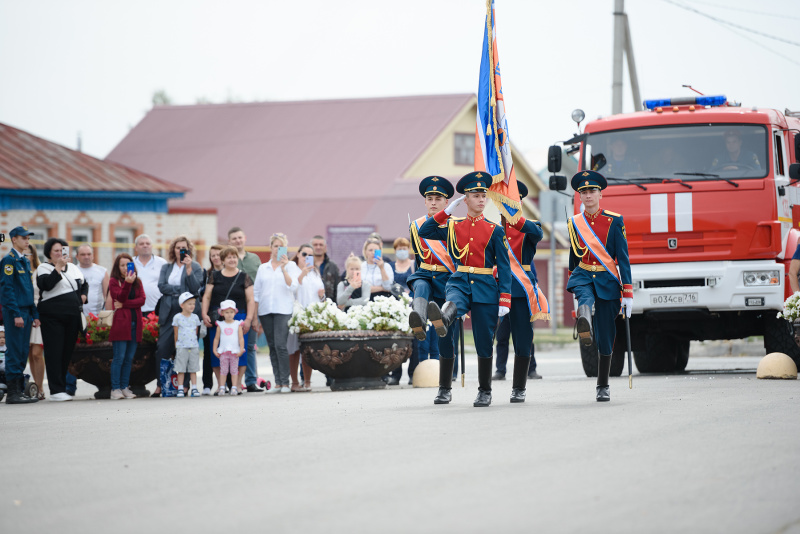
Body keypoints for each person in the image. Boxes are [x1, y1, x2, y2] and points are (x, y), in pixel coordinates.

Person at [419, 171, 511, 407]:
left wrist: (505, 298)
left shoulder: (494, 230)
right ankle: (444, 388)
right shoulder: (453, 226)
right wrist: (447, 211)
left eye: (484, 196)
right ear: (465, 199)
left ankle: (484, 391)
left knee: (483, 340)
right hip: (459, 280)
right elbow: (425, 231)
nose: (481, 200)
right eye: (476, 195)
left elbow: (504, 266)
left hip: (485, 286)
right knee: (452, 305)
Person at [566, 170, 633, 402]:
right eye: (583, 192)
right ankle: (584, 316)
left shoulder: (614, 221)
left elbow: (623, 258)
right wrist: (572, 279)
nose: (588, 195)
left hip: (607, 278)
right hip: (584, 273)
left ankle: (602, 384)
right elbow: (573, 257)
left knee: (606, 335)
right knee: (585, 296)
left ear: (600, 194)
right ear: (580, 196)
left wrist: (628, 293)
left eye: (592, 191)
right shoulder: (575, 222)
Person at [496, 181, 547, 402]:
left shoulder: (528, 227)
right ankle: (487, 386)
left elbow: (538, 233)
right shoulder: (494, 229)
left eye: (513, 200)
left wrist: (516, 217)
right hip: (497, 291)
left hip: (521, 292)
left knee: (523, 340)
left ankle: (519, 387)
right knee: (498, 336)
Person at [406, 176, 458, 379]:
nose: (434, 202)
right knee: (419, 282)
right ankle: (418, 317)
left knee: (448, 331)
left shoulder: (456, 224)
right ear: (425, 201)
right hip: (426, 272)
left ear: (447, 203)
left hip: (448, 278)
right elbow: (419, 258)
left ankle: (450, 372)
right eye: (430, 198)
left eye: (438, 199)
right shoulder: (415, 225)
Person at [36, 237, 88, 402]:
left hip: (72, 316)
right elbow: (47, 285)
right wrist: (57, 268)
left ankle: (62, 387)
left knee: (66, 353)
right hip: (53, 317)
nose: (60, 253)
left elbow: (83, 283)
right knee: (54, 353)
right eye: (56, 251)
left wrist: (83, 295)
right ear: (49, 254)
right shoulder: (43, 268)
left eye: (62, 250)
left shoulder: (73, 268)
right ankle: (56, 390)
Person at [154, 235, 204, 397]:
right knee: (163, 348)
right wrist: (181, 292)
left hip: (188, 313)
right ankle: (161, 384)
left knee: (187, 349)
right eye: (177, 248)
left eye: (184, 248)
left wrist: (188, 270)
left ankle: (186, 386)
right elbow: (162, 286)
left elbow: (196, 289)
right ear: (173, 250)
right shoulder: (166, 268)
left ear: (189, 250)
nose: (180, 251)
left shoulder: (195, 266)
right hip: (169, 312)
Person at [202, 246, 255, 395]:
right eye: (229, 257)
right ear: (223, 260)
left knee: (240, 351)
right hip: (218, 319)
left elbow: (250, 299)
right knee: (217, 351)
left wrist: (249, 319)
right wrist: (204, 313)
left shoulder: (244, 277)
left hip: (239, 318)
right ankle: (221, 385)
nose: (232, 260)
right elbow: (206, 296)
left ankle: (237, 385)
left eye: (234, 257)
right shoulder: (215, 276)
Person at [254, 233, 299, 394]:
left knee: (281, 345)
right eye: (275, 246)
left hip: (283, 310)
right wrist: (255, 316)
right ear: (270, 248)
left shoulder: (291, 266)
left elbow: (293, 287)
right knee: (272, 346)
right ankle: (278, 382)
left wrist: (284, 268)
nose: (278, 249)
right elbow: (257, 292)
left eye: (281, 247)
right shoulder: (263, 268)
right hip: (266, 310)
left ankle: (286, 382)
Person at [0, 226, 40, 404]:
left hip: (26, 312)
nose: (27, 241)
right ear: (14, 239)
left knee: (23, 351)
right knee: (14, 351)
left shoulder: (24, 260)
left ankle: (18, 390)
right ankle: (13, 393)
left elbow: (28, 290)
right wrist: (16, 313)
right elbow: (6, 290)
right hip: (15, 312)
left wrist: (34, 313)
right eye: (23, 238)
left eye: (27, 238)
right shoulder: (9, 261)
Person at [228, 227, 264, 392]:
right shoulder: (227, 258)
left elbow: (260, 284)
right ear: (230, 241)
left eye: (239, 237)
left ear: (245, 238)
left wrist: (256, 316)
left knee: (249, 346)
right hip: (231, 309)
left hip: (252, 306)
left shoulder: (255, 259)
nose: (237, 241)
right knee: (231, 347)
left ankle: (251, 381)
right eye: (234, 238)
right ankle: (232, 383)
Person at [108, 253, 146, 400]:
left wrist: (124, 305)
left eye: (127, 265)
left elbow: (142, 300)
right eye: (122, 265)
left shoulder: (138, 282)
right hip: (121, 323)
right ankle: (115, 388)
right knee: (119, 357)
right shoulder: (114, 281)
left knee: (129, 358)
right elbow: (119, 297)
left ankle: (125, 387)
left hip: (135, 323)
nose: (125, 268)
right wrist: (127, 283)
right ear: (118, 267)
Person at [287, 244, 324, 391]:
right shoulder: (292, 268)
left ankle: (307, 381)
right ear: (298, 254)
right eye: (304, 254)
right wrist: (302, 273)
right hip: (296, 313)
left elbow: (320, 295)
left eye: (310, 255)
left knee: (307, 350)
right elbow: (293, 287)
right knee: (294, 349)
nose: (306, 258)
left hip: (311, 315)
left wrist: (323, 296)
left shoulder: (315, 273)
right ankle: (294, 382)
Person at [386, 237, 417, 385]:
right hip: (395, 308)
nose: (402, 251)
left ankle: (413, 373)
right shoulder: (390, 266)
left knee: (414, 341)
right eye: (399, 248)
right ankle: (395, 374)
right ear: (395, 250)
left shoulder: (413, 264)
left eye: (405, 248)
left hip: (412, 307)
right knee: (396, 341)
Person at [199, 244, 224, 394]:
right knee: (209, 350)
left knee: (227, 351)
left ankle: (227, 383)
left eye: (218, 254)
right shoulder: (206, 274)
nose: (215, 257)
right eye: (212, 255)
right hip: (210, 316)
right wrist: (204, 314)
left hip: (227, 317)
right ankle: (207, 385)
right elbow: (203, 295)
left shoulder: (231, 273)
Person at [173, 292, 203, 398]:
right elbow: (176, 333)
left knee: (193, 368)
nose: (192, 306)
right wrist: (177, 345)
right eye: (189, 304)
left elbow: (196, 332)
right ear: (182, 305)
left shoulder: (195, 317)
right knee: (181, 368)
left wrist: (193, 342)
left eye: (193, 303)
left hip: (193, 346)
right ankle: (180, 388)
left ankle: (194, 387)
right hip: (181, 347)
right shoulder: (177, 317)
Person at [25, 244, 45, 400]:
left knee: (37, 353)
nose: (26, 257)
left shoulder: (40, 271)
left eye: (28, 254)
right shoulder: (20, 271)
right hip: (24, 314)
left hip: (38, 314)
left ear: (33, 255)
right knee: (30, 354)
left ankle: (41, 388)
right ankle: (36, 389)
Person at [212, 299, 245, 396]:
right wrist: (215, 349)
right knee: (223, 370)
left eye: (231, 312)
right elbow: (216, 339)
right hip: (224, 351)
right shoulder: (220, 325)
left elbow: (241, 338)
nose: (229, 314)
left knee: (234, 370)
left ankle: (234, 387)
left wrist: (241, 349)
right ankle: (222, 387)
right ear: (222, 313)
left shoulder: (238, 324)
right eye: (227, 312)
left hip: (234, 352)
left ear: (235, 312)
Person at [133, 234, 167, 315]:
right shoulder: (130, 263)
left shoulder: (162, 263)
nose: (145, 246)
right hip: (135, 309)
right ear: (136, 248)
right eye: (141, 244)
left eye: (147, 243)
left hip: (156, 309)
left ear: (152, 246)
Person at [76, 244, 109, 316]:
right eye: (83, 254)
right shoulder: (73, 271)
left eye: (89, 254)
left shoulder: (102, 271)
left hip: (97, 316)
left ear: (93, 255)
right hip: (77, 316)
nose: (86, 257)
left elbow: (108, 296)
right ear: (77, 256)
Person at [311, 235, 340, 301]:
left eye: (321, 245)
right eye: (315, 245)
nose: (318, 247)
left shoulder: (333, 266)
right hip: (309, 304)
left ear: (325, 247)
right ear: (311, 247)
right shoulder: (306, 265)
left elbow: (337, 288)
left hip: (328, 305)